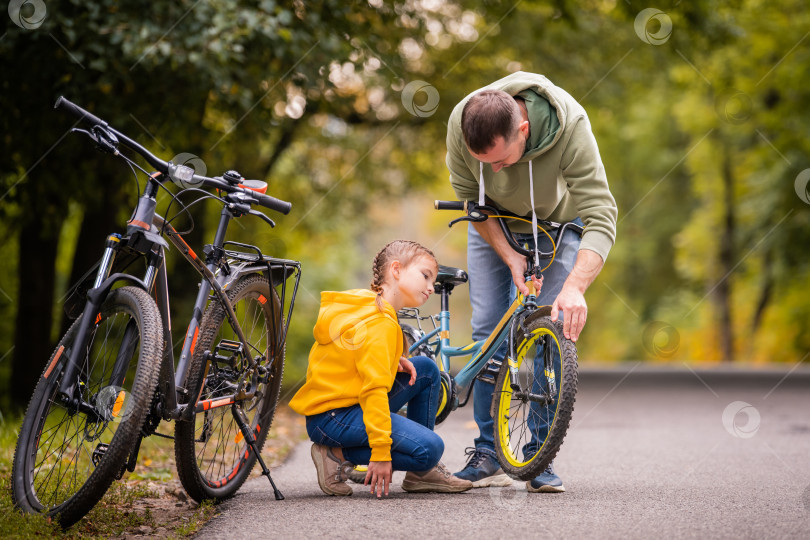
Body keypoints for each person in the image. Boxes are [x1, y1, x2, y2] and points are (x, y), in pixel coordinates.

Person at [445, 72, 617, 492]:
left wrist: (574, 287)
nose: (494, 170)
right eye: (485, 163)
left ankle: (538, 456)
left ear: (523, 129)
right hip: (492, 222)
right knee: (488, 329)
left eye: (501, 161)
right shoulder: (460, 120)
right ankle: (488, 451)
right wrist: (509, 255)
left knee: (549, 331)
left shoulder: (571, 127)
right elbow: (471, 198)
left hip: (558, 222)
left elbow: (602, 215)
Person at [289, 240, 473, 497]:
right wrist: (381, 452)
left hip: (340, 409)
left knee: (427, 370)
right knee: (429, 449)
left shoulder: (371, 306)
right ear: (396, 270)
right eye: (425, 276)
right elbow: (373, 390)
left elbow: (355, 355)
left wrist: (393, 360)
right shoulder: (380, 323)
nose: (431, 287)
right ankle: (335, 455)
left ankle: (421, 475)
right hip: (332, 417)